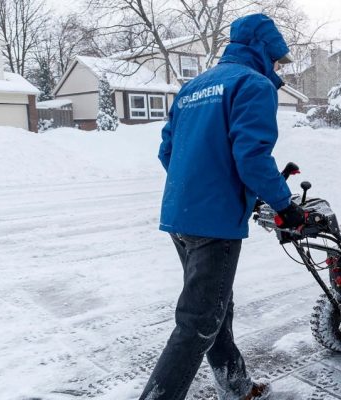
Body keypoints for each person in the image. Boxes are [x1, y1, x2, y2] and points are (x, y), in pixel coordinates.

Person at [141, 13, 306, 400]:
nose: (279, 67)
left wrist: (204, 186)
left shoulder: (193, 88)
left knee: (216, 307)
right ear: (264, 50)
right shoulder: (254, 84)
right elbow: (251, 157)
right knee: (198, 322)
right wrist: (285, 204)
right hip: (214, 225)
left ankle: (237, 387)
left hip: (180, 216)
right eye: (278, 59)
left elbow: (168, 151)